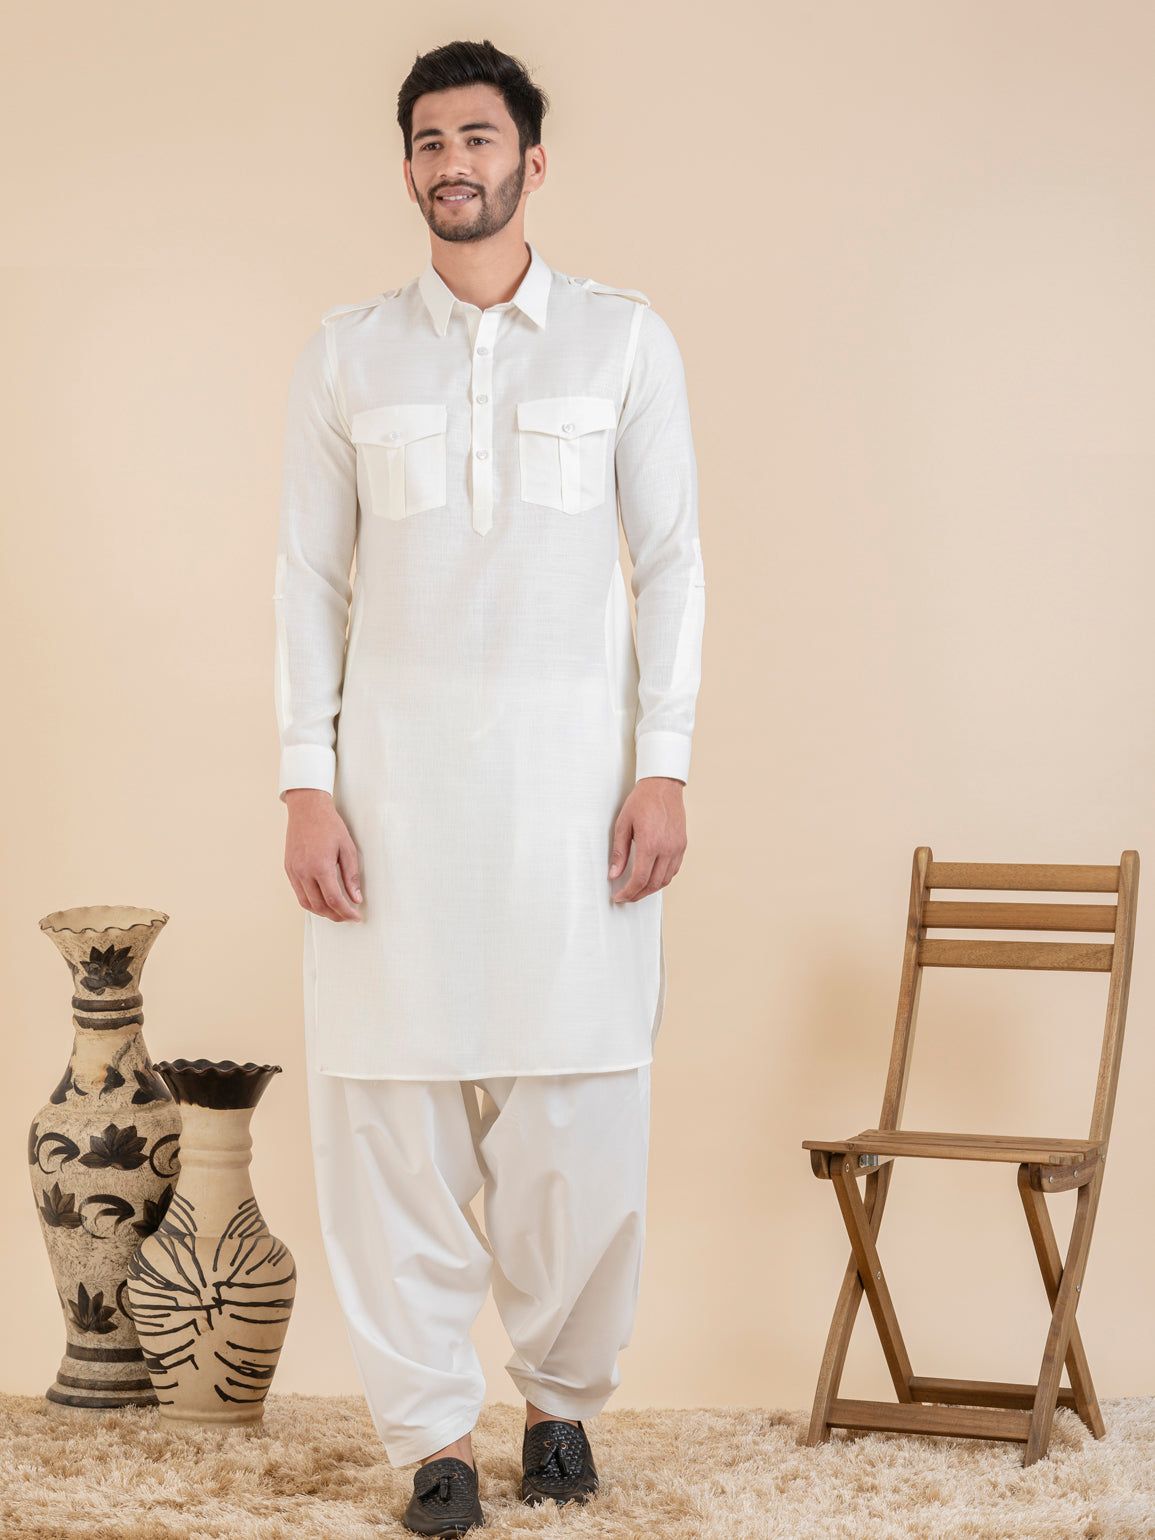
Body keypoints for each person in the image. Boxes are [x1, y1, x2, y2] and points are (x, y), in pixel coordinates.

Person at [273, 36, 705, 1536]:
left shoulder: (623, 341)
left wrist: (664, 765)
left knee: (580, 1114)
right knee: (386, 1117)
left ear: (532, 157)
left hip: (574, 798)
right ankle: (432, 1439)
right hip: (390, 797)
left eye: (477, 136)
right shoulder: (346, 353)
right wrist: (304, 783)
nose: (452, 161)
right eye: (427, 141)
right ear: (407, 168)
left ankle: (561, 1404)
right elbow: (306, 580)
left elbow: (674, 564)